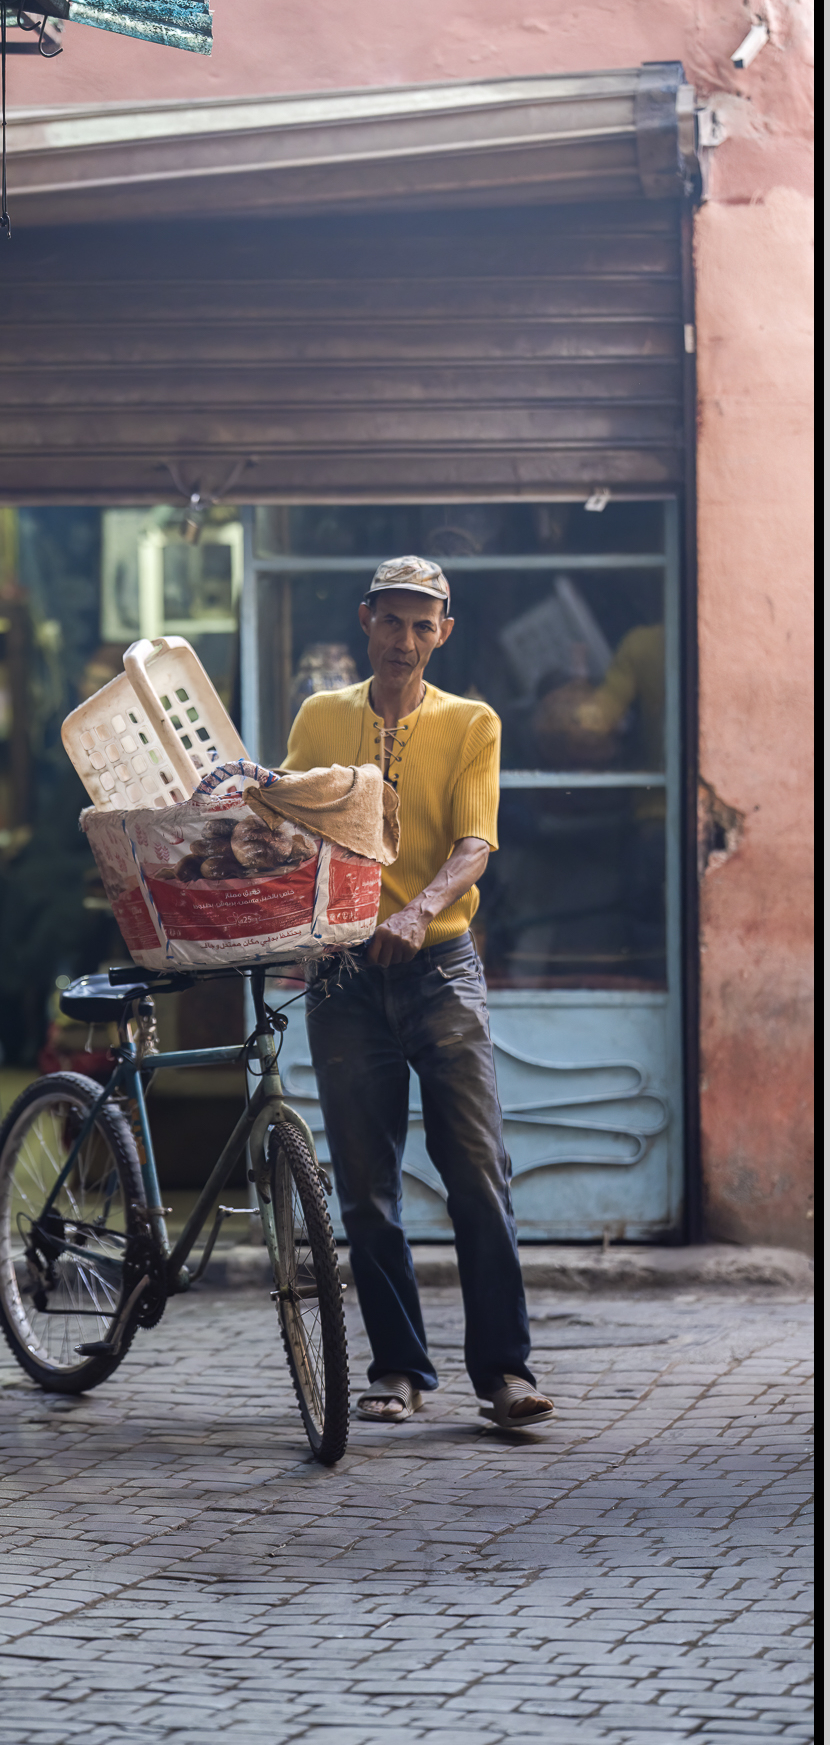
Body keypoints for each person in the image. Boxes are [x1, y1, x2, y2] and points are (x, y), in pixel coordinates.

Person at [283, 556, 554, 1433]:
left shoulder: (472, 722)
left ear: (444, 630)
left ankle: (504, 1373)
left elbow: (477, 842)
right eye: (391, 620)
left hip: (440, 968)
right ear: (366, 619)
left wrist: (422, 907)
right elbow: (290, 817)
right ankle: (398, 1369)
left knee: (477, 1171)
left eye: (421, 623)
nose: (405, 639)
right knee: (364, 1188)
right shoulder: (322, 715)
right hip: (345, 979)